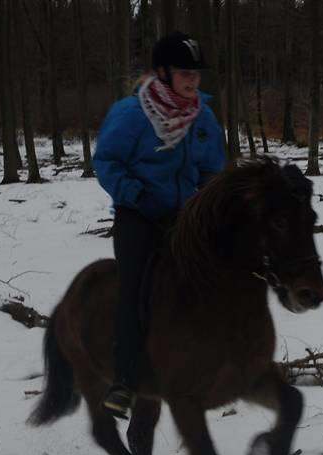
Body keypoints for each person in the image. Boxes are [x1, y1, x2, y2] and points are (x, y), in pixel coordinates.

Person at [93, 32, 226, 419]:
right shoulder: (130, 114)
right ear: (164, 73)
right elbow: (107, 163)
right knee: (137, 288)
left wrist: (209, 201)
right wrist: (136, 196)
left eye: (196, 74)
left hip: (186, 218)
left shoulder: (203, 116)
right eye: (185, 73)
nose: (193, 81)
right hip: (138, 215)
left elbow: (212, 169)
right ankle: (124, 379)